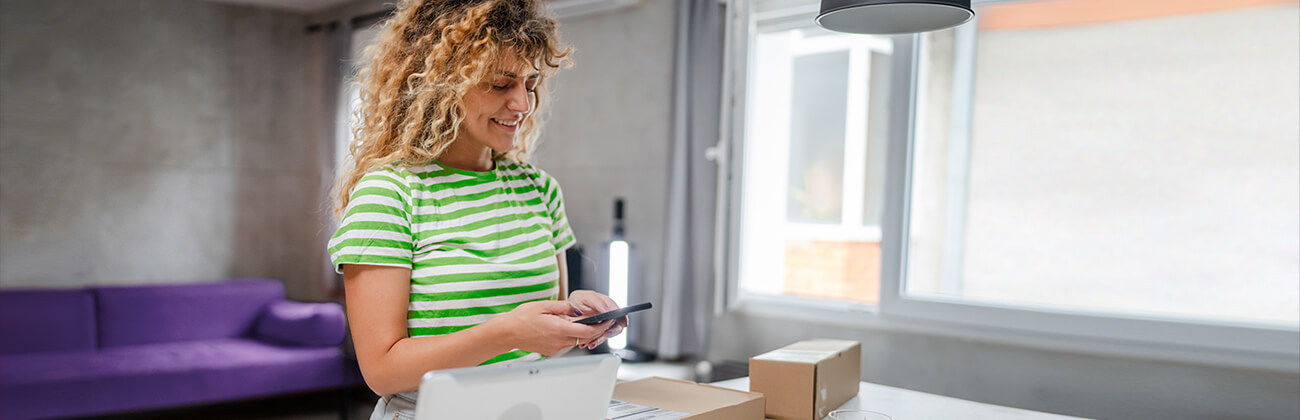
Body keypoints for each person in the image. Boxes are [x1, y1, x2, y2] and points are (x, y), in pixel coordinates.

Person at [326, 0, 626, 417]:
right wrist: (504, 333)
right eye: (501, 84)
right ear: (441, 84)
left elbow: (543, 349)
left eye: (531, 84)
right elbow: (381, 370)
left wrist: (575, 319)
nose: (522, 104)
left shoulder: (539, 190)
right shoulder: (390, 194)